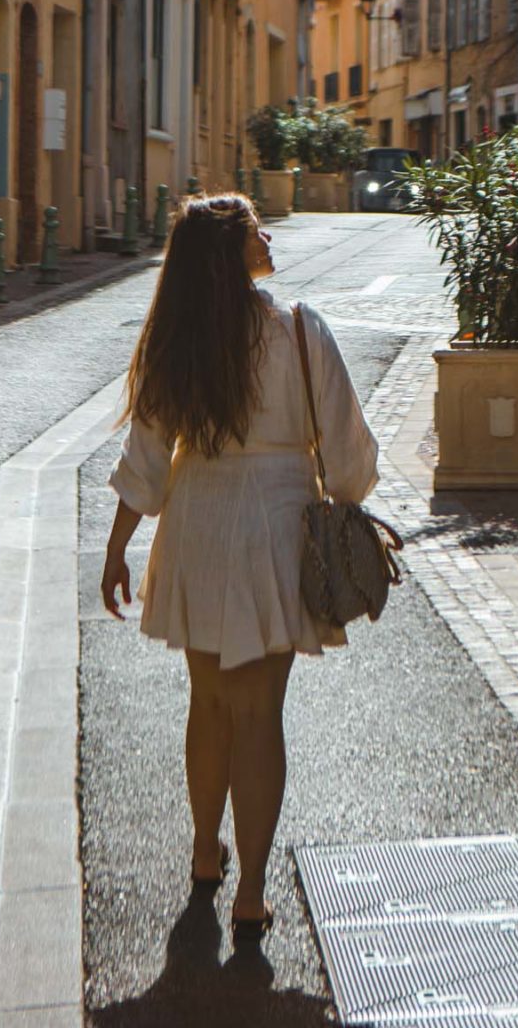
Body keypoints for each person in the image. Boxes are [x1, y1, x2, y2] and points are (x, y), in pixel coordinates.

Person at [100, 192, 380, 936]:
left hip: (197, 520)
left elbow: (147, 458)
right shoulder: (297, 331)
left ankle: (202, 850)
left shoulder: (180, 338)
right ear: (233, 252)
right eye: (256, 226)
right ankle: (251, 887)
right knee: (259, 715)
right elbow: (350, 459)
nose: (267, 233)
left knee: (210, 705)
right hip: (277, 526)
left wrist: (116, 546)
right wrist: (341, 497)